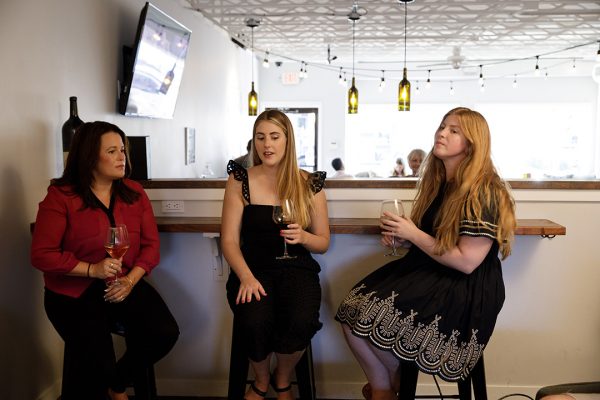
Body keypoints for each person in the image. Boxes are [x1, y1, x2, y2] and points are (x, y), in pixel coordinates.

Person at [335, 107, 516, 400]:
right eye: (442, 126)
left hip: (465, 289)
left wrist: (413, 234)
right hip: (432, 272)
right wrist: (407, 241)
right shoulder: (442, 183)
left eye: (454, 130)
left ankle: (385, 387)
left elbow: (467, 262)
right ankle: (385, 387)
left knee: (367, 314)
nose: (442, 133)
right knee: (351, 311)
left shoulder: (485, 191)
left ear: (472, 143)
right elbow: (440, 239)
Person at [31, 121, 179, 400]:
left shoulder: (134, 193)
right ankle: (113, 389)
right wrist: (91, 269)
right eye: (112, 151)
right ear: (89, 156)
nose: (122, 156)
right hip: (72, 293)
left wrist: (130, 280)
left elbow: (151, 247)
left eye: (122, 149)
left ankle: (118, 384)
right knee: (96, 360)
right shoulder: (60, 197)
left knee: (164, 332)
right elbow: (41, 254)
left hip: (121, 284)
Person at [221, 110, 330, 400]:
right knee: (254, 320)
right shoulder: (239, 179)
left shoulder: (310, 183)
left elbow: (323, 242)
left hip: (297, 269)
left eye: (274, 137)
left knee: (301, 320)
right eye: (260, 137)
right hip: (253, 270)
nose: (266, 145)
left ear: (288, 140)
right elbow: (229, 240)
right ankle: (260, 378)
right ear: (254, 142)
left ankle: (282, 377)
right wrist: (245, 277)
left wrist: (304, 237)